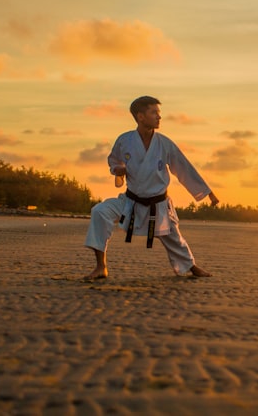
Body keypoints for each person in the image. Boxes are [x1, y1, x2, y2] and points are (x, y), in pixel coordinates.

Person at [83, 96, 219, 280]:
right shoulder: (125, 140)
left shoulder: (164, 144)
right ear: (140, 116)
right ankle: (101, 267)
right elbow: (113, 160)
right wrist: (118, 169)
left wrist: (208, 193)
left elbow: (184, 167)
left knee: (174, 239)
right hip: (130, 201)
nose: (159, 117)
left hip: (158, 204)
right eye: (154, 112)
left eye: (159, 113)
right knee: (99, 212)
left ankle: (192, 267)